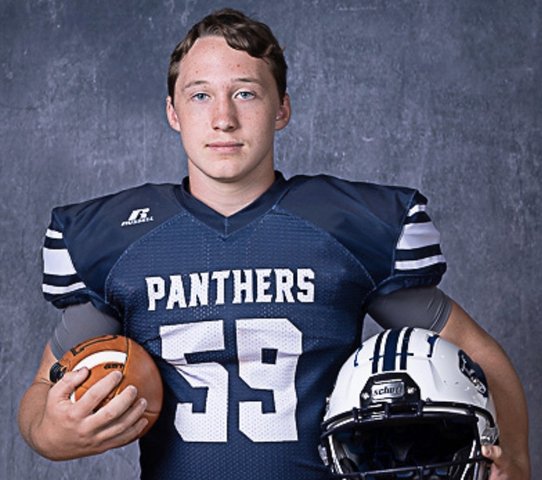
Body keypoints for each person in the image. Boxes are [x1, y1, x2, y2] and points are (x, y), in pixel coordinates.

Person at [18, 8, 530, 480]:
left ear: (281, 109)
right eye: (200, 95)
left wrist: (518, 462)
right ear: (173, 112)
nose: (223, 118)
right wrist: (50, 433)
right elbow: (42, 391)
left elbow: (475, 353)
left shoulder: (344, 225)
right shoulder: (120, 239)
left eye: (246, 93)